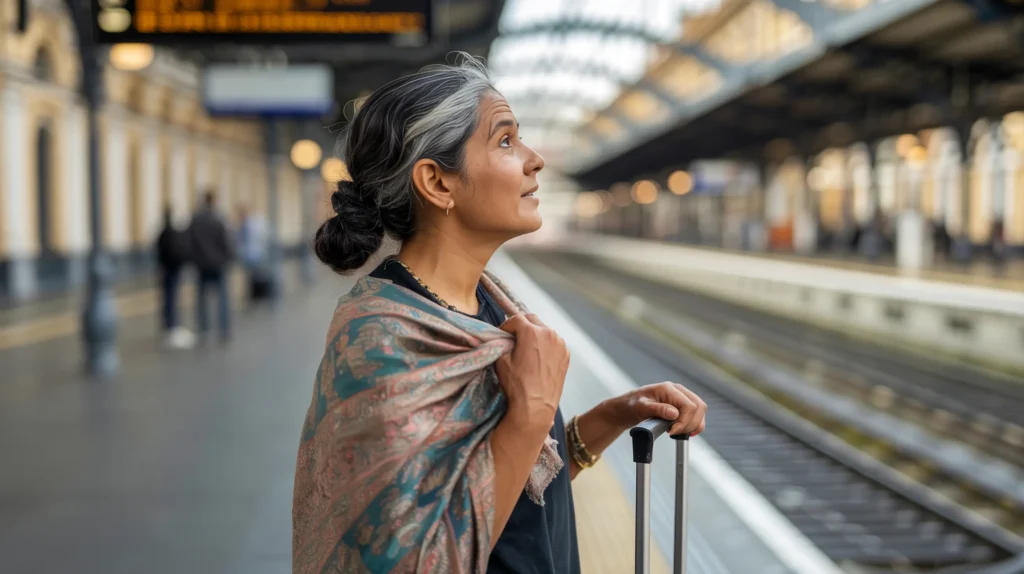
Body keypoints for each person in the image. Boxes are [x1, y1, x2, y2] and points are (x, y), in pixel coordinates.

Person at [292, 55, 708, 574]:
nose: (535, 160)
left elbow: (510, 501)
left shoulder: (493, 306)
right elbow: (418, 560)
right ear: (438, 183)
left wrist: (609, 419)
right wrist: (533, 410)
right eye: (506, 141)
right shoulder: (381, 340)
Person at [186, 190, 234, 344]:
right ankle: (224, 330)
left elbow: (190, 241)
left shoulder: (196, 219)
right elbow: (226, 241)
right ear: (214, 201)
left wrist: (196, 259)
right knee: (222, 299)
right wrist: (227, 258)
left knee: (201, 299)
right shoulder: (219, 219)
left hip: (201, 264)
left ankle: (204, 330)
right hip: (218, 264)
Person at [155, 206, 194, 349]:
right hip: (173, 270)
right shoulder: (173, 233)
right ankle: (172, 326)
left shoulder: (163, 232)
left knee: (168, 298)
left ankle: (169, 325)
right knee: (172, 298)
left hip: (167, 269)